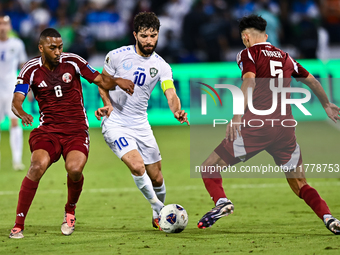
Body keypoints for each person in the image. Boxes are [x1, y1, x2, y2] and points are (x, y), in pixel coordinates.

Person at [197, 15, 340, 235]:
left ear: (246, 38)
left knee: (209, 167)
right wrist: (327, 105)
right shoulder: (285, 57)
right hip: (285, 129)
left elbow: (250, 80)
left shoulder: (247, 53)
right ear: (266, 36)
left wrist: (236, 115)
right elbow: (311, 80)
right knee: (300, 183)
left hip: (258, 126)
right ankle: (329, 217)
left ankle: (222, 202)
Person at [9, 28, 134, 239]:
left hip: (76, 130)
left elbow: (100, 80)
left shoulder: (73, 61)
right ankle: (18, 224)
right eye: (52, 48)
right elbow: (16, 102)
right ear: (41, 48)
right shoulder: (30, 69)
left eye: (60, 47)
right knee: (36, 166)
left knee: (74, 169)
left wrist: (117, 81)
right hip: (48, 130)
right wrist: (22, 113)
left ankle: (70, 211)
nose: (58, 52)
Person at [95, 12, 189, 229]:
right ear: (135, 34)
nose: (149, 41)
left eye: (153, 36)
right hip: (115, 121)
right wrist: (107, 103)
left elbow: (171, 92)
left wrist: (177, 110)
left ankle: (158, 213)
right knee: (138, 167)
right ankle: (161, 211)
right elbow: (102, 82)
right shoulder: (116, 56)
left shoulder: (162, 65)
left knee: (156, 177)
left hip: (141, 124)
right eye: (145, 36)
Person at [0, 15, 27, 171]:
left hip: (11, 86)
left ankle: (17, 160)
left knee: (15, 121)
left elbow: (23, 65)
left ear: (10, 26)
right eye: (0, 24)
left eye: (5, 24)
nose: (3, 27)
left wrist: (26, 87)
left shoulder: (17, 44)